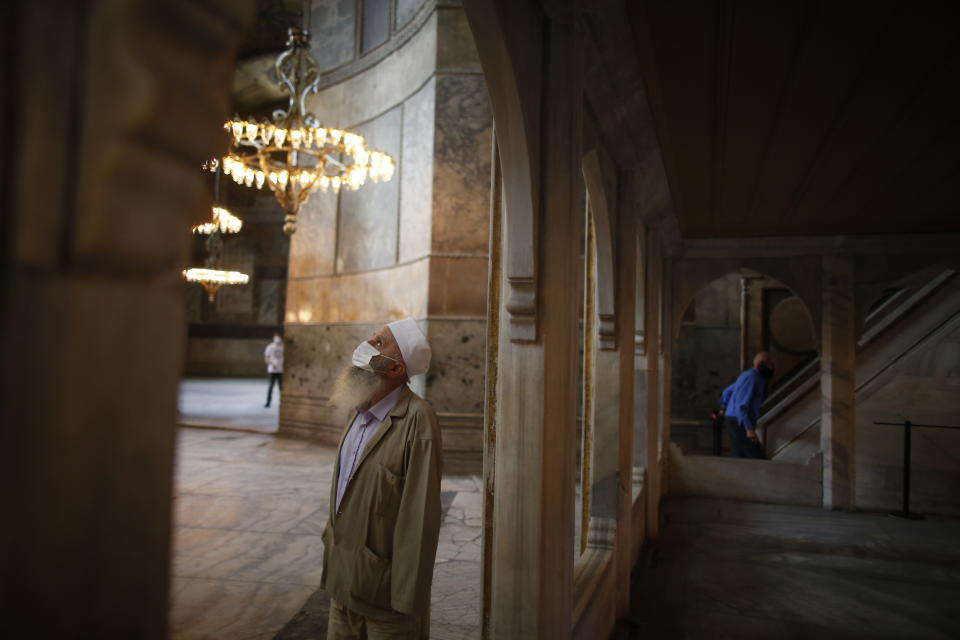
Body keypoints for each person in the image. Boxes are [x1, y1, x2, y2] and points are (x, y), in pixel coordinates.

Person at [322, 318, 441, 640]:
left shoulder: (418, 420)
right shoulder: (357, 410)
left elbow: (419, 516)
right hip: (343, 585)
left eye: (378, 343)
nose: (366, 345)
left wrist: (405, 599)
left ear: (395, 368)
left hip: (385, 599)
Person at [718, 352, 775, 459]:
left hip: (733, 420)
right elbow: (742, 405)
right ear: (761, 364)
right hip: (739, 422)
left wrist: (723, 406)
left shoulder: (747, 375)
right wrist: (749, 428)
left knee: (740, 457)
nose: (772, 368)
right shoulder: (754, 378)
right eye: (770, 364)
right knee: (757, 457)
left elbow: (727, 391)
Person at [263, 332, 284, 408]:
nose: (278, 339)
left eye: (279, 337)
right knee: (271, 387)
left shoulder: (283, 347)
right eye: (276, 337)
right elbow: (266, 357)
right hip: (272, 370)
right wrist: (271, 364)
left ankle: (282, 403)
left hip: (281, 370)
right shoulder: (270, 347)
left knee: (281, 388)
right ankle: (268, 402)